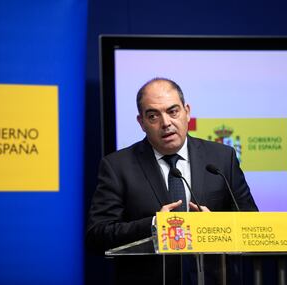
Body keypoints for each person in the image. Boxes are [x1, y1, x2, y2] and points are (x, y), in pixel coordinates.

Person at [86, 78, 258, 284]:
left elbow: (252, 225)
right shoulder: (117, 166)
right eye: (153, 116)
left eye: (173, 111)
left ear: (187, 111)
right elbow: (97, 236)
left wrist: (217, 226)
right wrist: (154, 224)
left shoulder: (222, 158)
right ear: (141, 122)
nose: (166, 123)